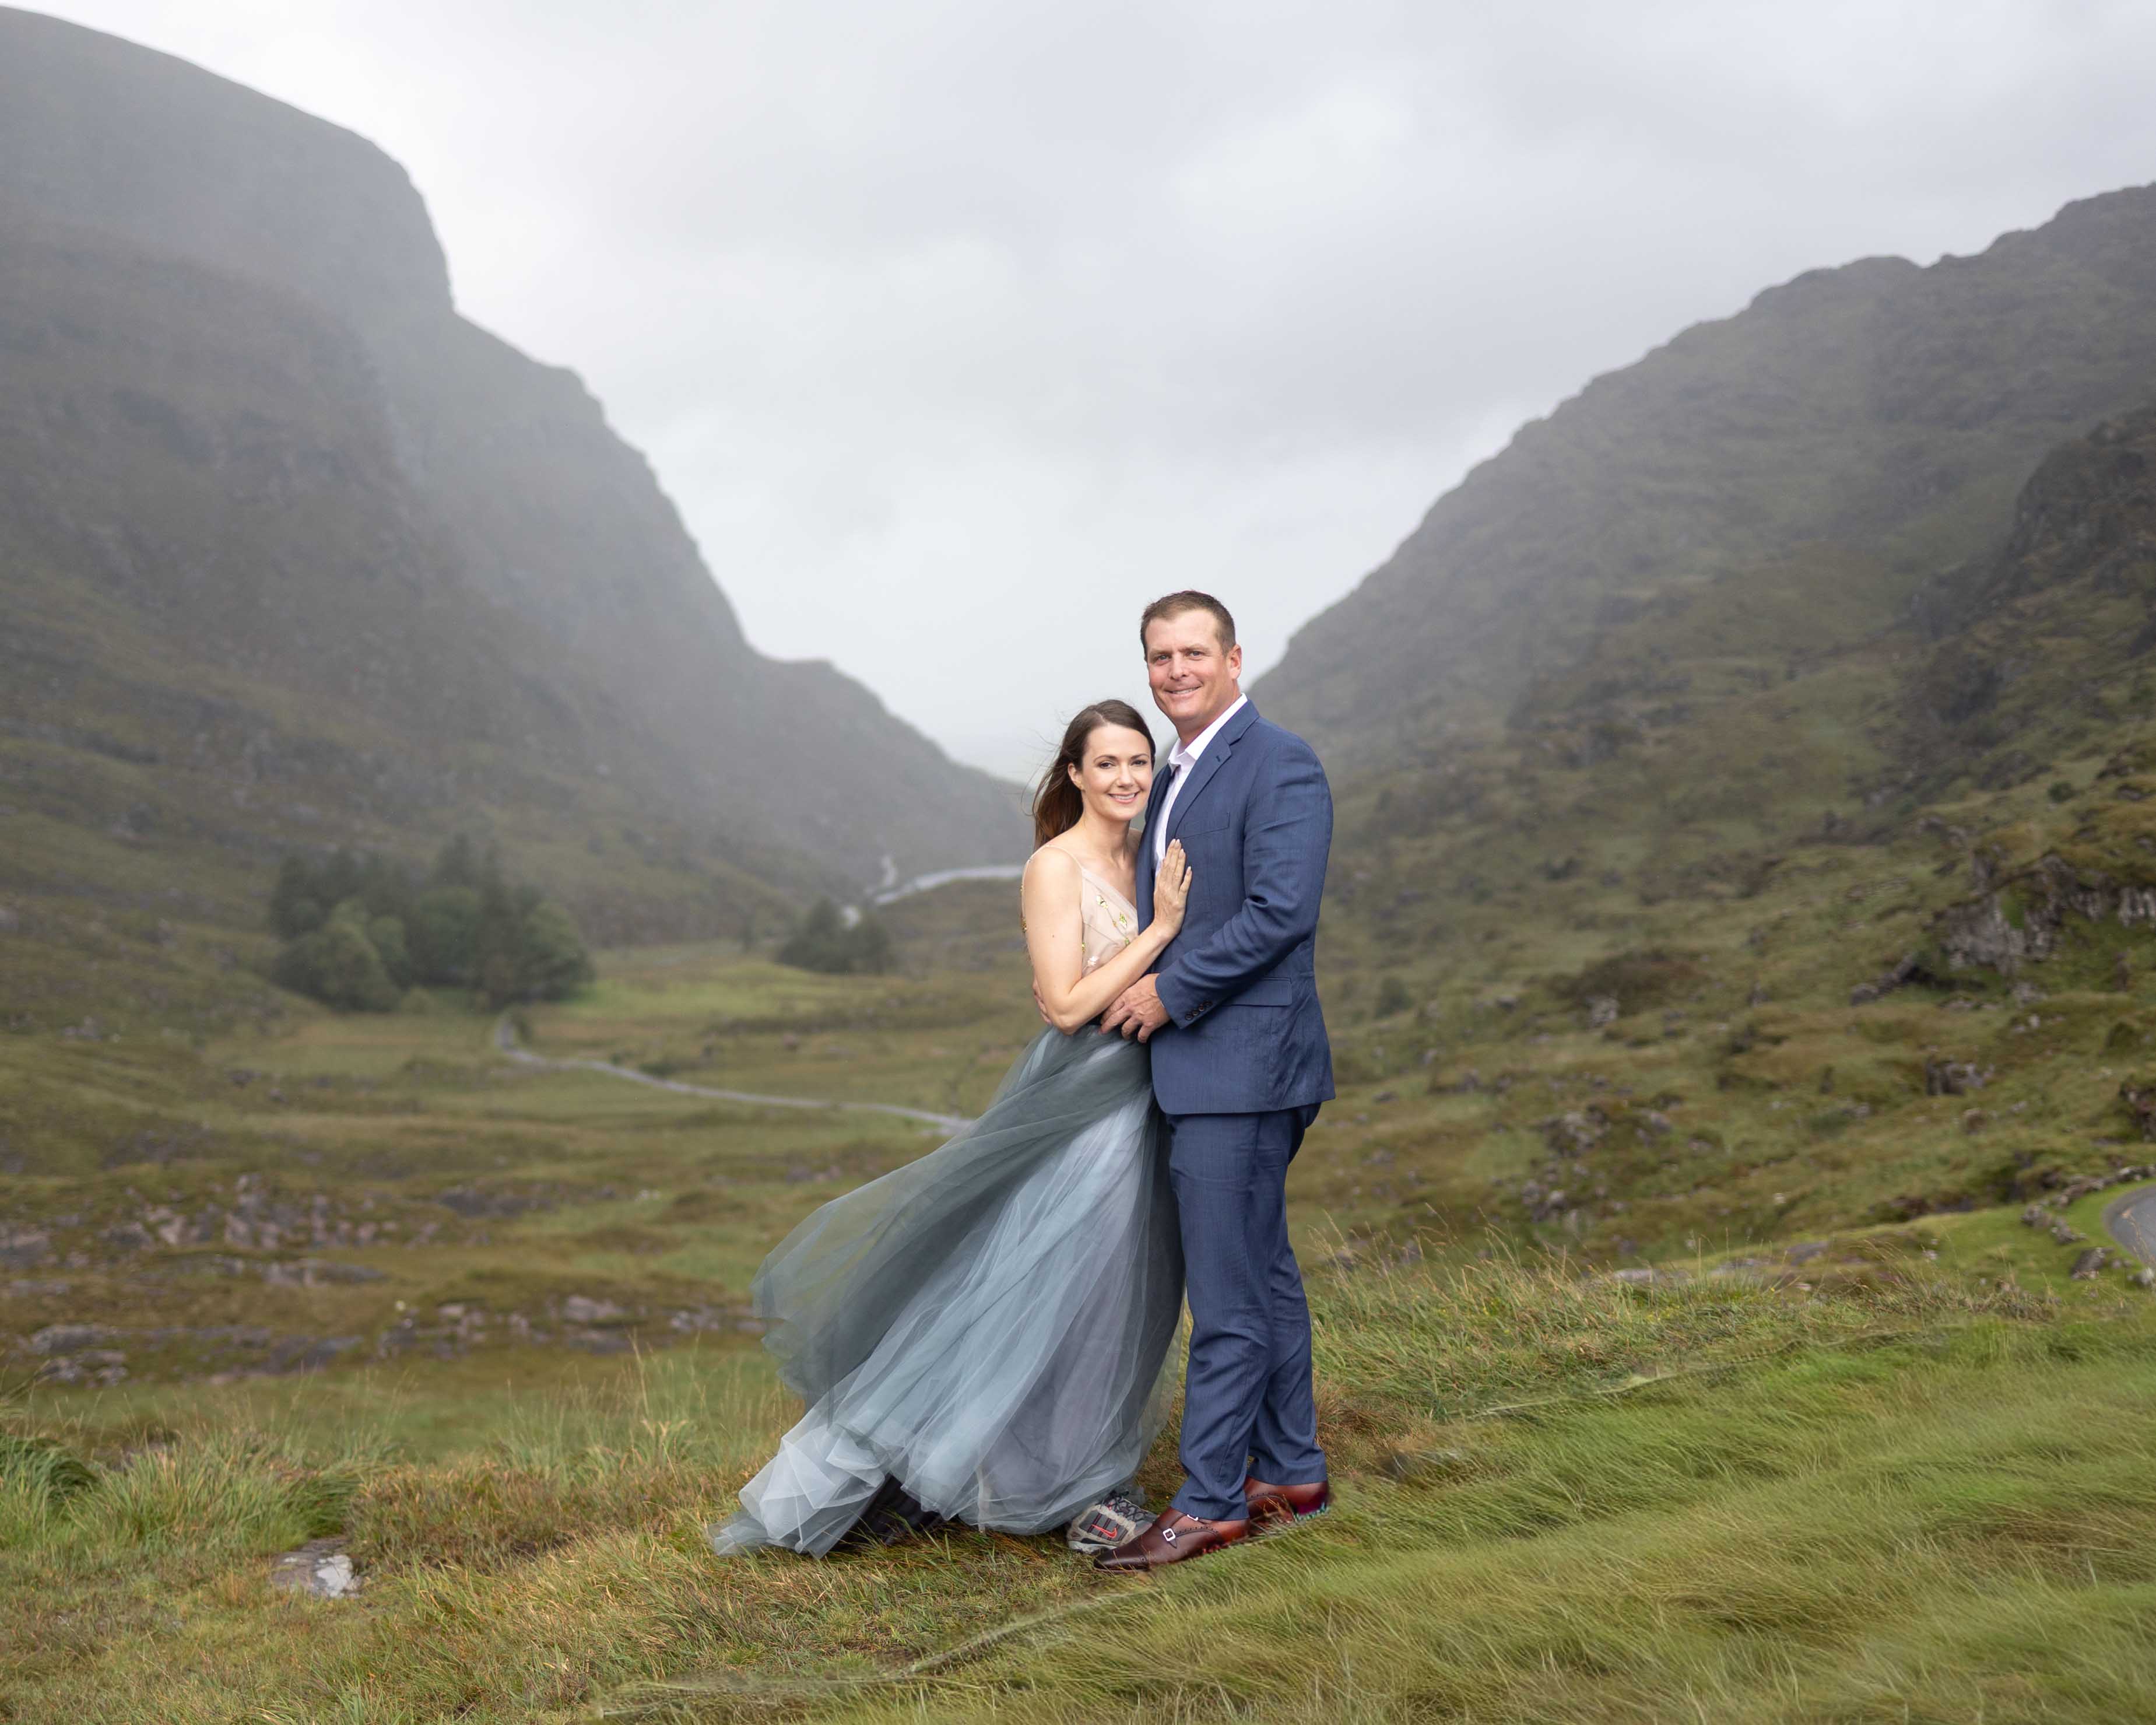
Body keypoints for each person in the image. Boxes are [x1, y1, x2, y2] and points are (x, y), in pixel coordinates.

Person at [708, 699, 1194, 1556]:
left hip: (1148, 1097)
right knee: (1035, 1281)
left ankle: (1065, 1467)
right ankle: (978, 1473)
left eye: (1138, 763)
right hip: (1082, 1102)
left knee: (1117, 1293)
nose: (1124, 779)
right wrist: (1158, 929)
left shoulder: (1154, 852)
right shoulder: (1056, 866)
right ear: (1074, 773)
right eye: (1106, 763)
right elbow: (1065, 1002)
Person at [1092, 590, 1336, 1572]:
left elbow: (1282, 910)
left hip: (1241, 1067)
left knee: (1227, 1297)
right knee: (1265, 1275)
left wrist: (1169, 991)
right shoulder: (1180, 770)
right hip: (1214, 1069)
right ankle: (1288, 1470)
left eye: (1194, 652)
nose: (1176, 671)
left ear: (1235, 659)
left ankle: (1206, 1504)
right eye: (1160, 657)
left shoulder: (1279, 762)